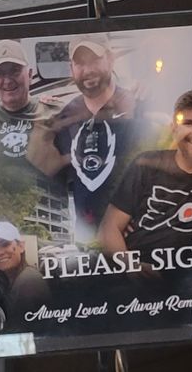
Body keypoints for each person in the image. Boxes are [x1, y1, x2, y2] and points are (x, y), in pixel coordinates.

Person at [44, 34, 163, 245]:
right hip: (91, 251)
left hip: (140, 242)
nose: (88, 70)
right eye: (80, 63)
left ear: (110, 59)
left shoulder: (139, 107)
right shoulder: (63, 120)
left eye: (95, 60)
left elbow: (160, 177)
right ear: (71, 69)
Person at [97, 91, 192, 260]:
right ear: (174, 128)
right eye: (189, 123)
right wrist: (131, 266)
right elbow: (109, 228)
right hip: (135, 277)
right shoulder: (145, 165)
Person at [0, 39, 66, 226]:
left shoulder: (55, 110)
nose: (8, 80)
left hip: (53, 225)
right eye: (0, 74)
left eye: (15, 71)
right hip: (2, 230)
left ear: (29, 74)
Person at [0, 221, 49, 311]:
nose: (0, 252)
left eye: (5, 244)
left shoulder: (29, 280)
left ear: (21, 246)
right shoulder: (12, 281)